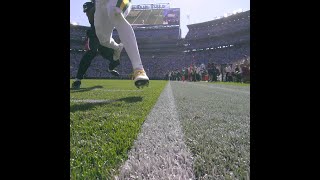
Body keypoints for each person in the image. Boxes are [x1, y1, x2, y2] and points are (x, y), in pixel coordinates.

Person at [94, 0, 149, 88]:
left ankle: (138, 69)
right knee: (103, 39)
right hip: (100, 2)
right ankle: (117, 48)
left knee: (115, 12)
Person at [71, 0, 120, 89]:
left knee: (115, 59)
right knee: (91, 52)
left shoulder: (102, 7)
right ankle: (78, 79)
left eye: (89, 11)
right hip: (94, 34)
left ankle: (110, 69)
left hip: (105, 35)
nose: (88, 14)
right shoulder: (95, 7)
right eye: (87, 12)